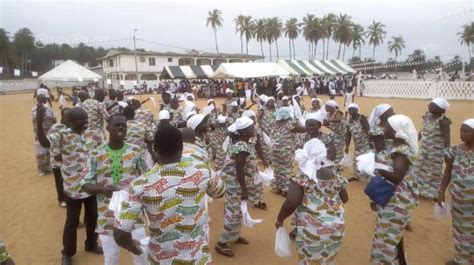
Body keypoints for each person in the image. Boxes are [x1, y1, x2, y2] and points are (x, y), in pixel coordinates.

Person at [113, 125, 225, 264]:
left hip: (161, 260)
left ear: (154, 148)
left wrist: (133, 247)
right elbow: (220, 192)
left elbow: (120, 233)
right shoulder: (202, 171)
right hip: (198, 258)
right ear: (181, 148)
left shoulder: (140, 185)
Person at [36, 106, 103, 265]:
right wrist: (39, 123)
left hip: (91, 186)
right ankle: (67, 253)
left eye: (87, 118)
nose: (86, 122)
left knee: (93, 218)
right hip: (72, 188)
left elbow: (101, 153)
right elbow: (45, 142)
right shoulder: (62, 135)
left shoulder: (93, 134)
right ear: (71, 122)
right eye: (82, 119)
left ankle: (91, 244)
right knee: (72, 222)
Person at [81, 114, 149, 265]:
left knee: (141, 255)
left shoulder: (136, 152)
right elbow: (85, 184)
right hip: (107, 216)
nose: (120, 128)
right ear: (107, 128)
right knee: (111, 258)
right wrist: (102, 189)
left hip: (133, 214)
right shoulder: (96, 154)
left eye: (123, 126)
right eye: (117, 125)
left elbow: (147, 177)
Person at [276, 138, 349, 264]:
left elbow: (291, 203)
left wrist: (279, 219)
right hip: (336, 227)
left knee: (309, 261)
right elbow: (345, 199)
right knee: (328, 259)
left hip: (311, 229)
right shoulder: (335, 175)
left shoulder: (302, 176)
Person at [370, 114, 419, 264]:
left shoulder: (402, 151)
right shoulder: (395, 147)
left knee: (386, 241)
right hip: (389, 198)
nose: (384, 129)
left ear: (396, 130)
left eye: (387, 127)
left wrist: (376, 166)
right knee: (393, 236)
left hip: (397, 201)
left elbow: (397, 177)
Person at [215, 117, 255, 257]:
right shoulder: (242, 146)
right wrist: (244, 190)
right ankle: (222, 243)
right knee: (233, 213)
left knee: (237, 211)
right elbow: (239, 169)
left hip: (234, 183)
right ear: (244, 131)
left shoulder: (240, 143)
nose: (254, 129)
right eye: (251, 128)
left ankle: (235, 235)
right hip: (234, 185)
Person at [437, 119, 474, 265]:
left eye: (466, 131)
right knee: (460, 230)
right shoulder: (454, 151)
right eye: (461, 130)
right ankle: (462, 259)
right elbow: (447, 173)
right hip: (459, 201)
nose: (462, 134)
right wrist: (441, 192)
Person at [414, 98, 451, 199]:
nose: (429, 106)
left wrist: (448, 154)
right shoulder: (427, 116)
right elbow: (423, 130)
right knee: (419, 168)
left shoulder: (443, 122)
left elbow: (447, 139)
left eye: (432, 105)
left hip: (436, 152)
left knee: (434, 172)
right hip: (424, 149)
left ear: (439, 109)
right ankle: (419, 190)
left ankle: (435, 194)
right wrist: (415, 140)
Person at [271, 107, 305, 196]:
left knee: (277, 168)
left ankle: (278, 187)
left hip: (275, 150)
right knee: (286, 169)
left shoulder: (275, 122)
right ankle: (286, 189)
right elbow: (303, 129)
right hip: (286, 150)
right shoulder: (290, 124)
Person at [241, 110, 269, 209]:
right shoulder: (238, 132)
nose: (253, 123)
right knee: (240, 180)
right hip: (240, 161)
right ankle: (239, 199)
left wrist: (264, 160)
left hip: (252, 161)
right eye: (250, 121)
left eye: (254, 121)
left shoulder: (255, 130)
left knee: (256, 181)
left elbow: (258, 146)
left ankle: (257, 200)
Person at [48, 107, 72, 207]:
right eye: (67, 116)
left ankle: (70, 197)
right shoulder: (55, 128)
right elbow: (52, 147)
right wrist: (62, 156)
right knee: (59, 181)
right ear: (62, 116)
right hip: (57, 161)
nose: (69, 119)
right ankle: (61, 199)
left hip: (70, 161)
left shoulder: (72, 127)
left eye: (70, 117)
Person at [345, 103, 371, 182]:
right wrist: (347, 146)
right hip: (357, 145)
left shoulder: (362, 119)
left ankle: (369, 176)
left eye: (353, 109)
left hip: (366, 143)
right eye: (349, 109)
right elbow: (348, 134)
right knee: (356, 160)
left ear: (357, 110)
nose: (351, 111)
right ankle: (356, 176)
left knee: (366, 160)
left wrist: (371, 143)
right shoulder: (349, 122)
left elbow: (368, 131)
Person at [32, 94, 57, 176]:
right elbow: (38, 118)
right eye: (44, 98)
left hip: (49, 133)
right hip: (39, 134)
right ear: (39, 99)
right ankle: (40, 169)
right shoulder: (34, 109)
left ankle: (47, 167)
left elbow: (54, 119)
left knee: (48, 151)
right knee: (40, 153)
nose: (46, 100)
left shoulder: (49, 109)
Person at [324, 100, 346, 166]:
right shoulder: (327, 114)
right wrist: (326, 125)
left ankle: (339, 165)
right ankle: (335, 164)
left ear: (331, 107)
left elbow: (338, 119)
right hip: (334, 134)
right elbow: (332, 127)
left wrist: (328, 120)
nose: (325, 108)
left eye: (326, 106)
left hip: (341, 135)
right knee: (332, 149)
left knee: (338, 150)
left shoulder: (338, 113)